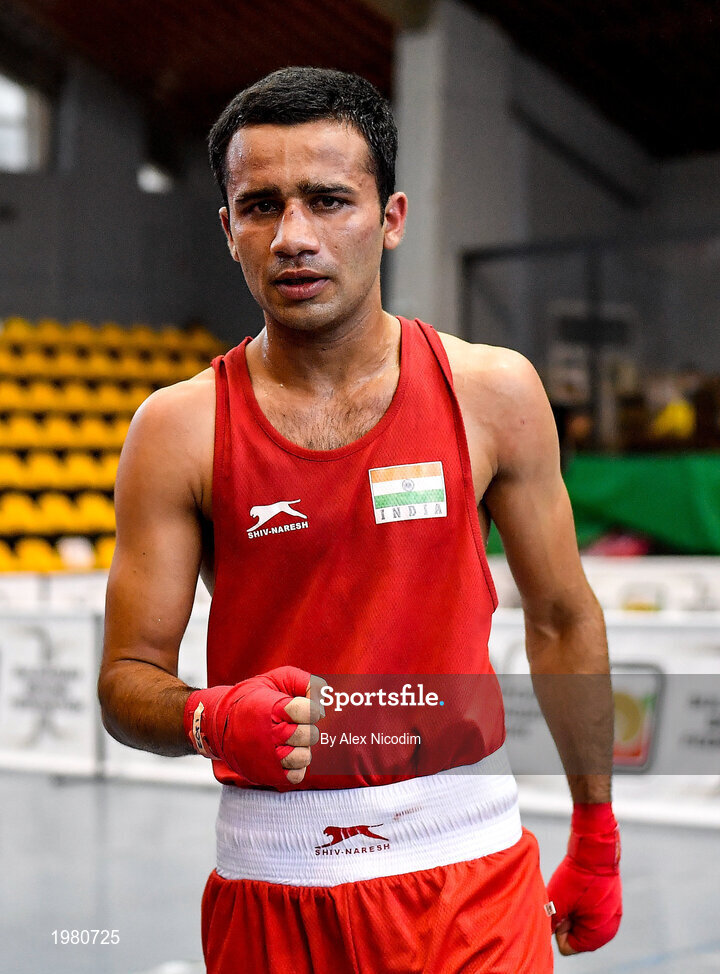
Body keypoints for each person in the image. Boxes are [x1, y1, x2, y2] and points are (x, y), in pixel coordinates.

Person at [98, 67, 621, 973]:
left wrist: (598, 834)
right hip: (275, 883)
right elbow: (126, 678)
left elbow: (563, 618)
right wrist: (207, 718)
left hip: (473, 878)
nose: (294, 236)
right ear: (228, 230)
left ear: (392, 218)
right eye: (260, 206)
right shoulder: (177, 429)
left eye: (329, 200)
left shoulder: (492, 392)